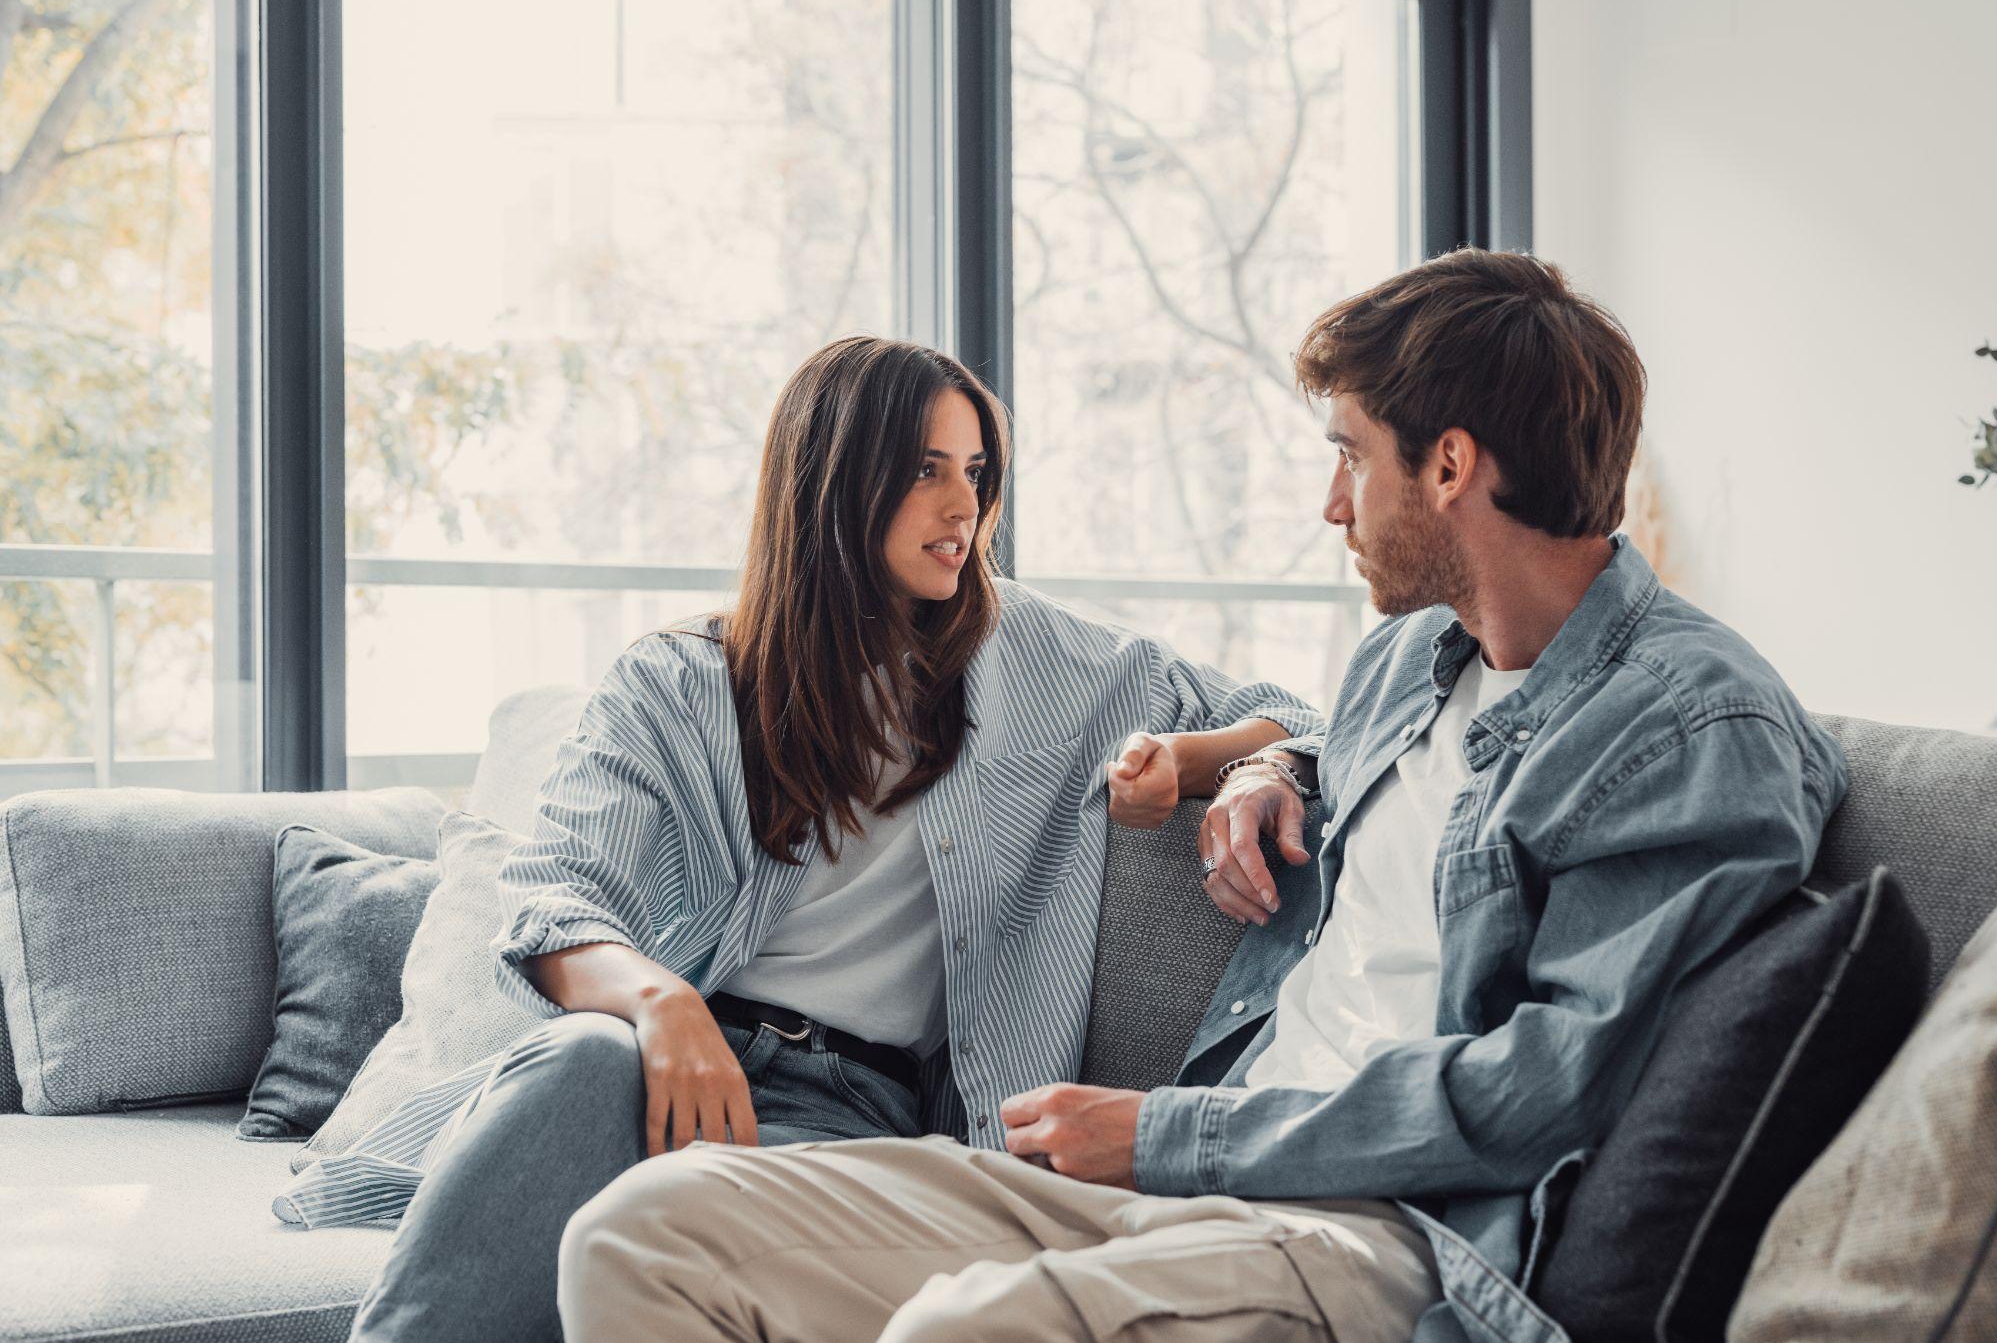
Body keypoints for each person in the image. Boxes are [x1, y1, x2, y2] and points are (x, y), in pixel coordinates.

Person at [550, 251, 1851, 1343]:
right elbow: (1332, 753)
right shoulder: (1415, 659)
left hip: (1377, 1235)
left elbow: (1547, 1087)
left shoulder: (1690, 724)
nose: (1327, 501)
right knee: (641, 1233)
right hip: (1201, 1188)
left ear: (1450, 465)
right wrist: (1271, 762)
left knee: (963, 1329)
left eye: (1351, 456)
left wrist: (1173, 1137)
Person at [280, 336, 1323, 1343]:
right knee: (582, 1063)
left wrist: (1213, 764)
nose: (963, 505)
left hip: (854, 1110)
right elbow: (554, 895)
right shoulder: (679, 680)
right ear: (831, 481)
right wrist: (661, 1002)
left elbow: (1304, 713)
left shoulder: (1051, 662)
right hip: (658, 1065)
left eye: (974, 471)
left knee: (674, 1238)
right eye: (923, 471)